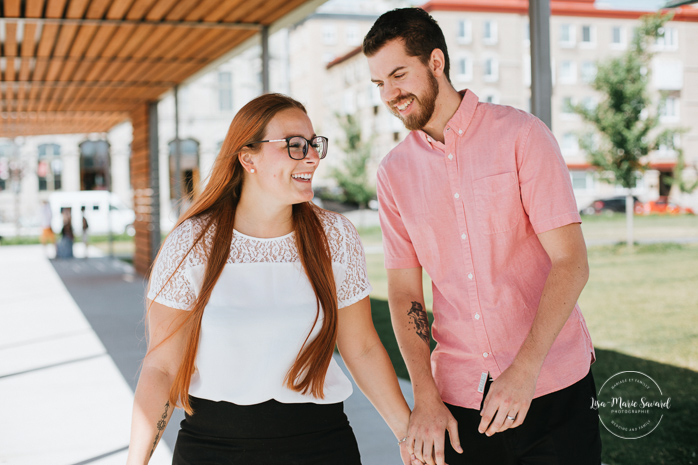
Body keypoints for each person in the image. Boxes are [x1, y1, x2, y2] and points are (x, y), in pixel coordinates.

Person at [363, 8, 601, 465]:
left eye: (398, 75)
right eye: (379, 84)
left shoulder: (522, 135)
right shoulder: (394, 172)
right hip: (460, 400)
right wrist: (425, 396)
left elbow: (571, 261)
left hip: (553, 387)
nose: (390, 95)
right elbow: (404, 291)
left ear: (436, 62)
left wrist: (525, 368)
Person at [126, 93, 412, 465]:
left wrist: (408, 434)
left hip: (322, 447)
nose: (311, 155)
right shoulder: (192, 243)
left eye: (313, 144)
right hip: (213, 449)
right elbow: (161, 367)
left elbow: (363, 348)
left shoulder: (335, 237)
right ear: (248, 158)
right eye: (294, 145)